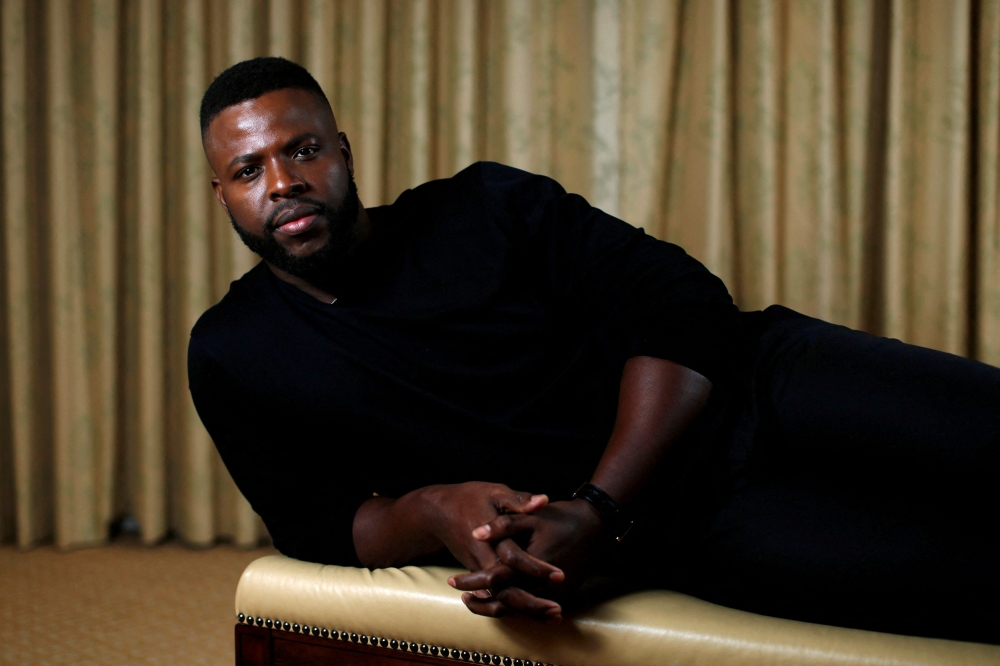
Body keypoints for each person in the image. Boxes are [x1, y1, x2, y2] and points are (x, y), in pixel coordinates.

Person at [188, 57, 999, 644]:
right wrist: (433, 509)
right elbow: (319, 523)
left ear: (343, 150)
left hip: (761, 379)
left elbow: (681, 301)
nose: (283, 183)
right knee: (968, 575)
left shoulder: (486, 205)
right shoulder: (235, 353)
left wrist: (601, 505)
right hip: (694, 526)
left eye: (302, 150)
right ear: (221, 193)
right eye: (249, 169)